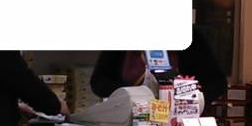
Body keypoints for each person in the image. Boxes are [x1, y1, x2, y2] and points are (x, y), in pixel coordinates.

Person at [90, 27, 228, 108]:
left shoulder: (191, 37)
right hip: (127, 121)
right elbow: (98, 81)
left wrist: (192, 98)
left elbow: (217, 82)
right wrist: (129, 94)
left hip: (179, 125)